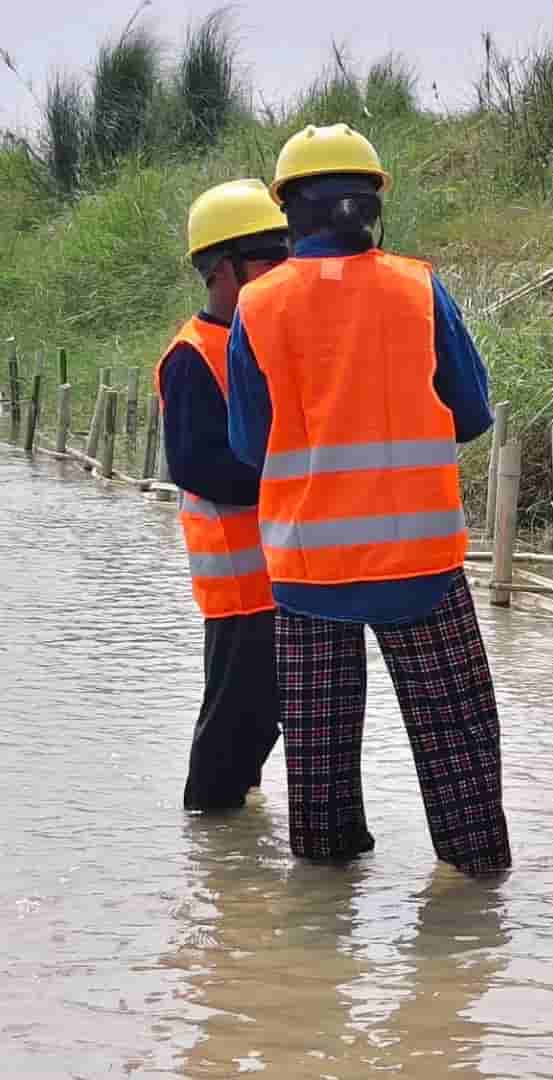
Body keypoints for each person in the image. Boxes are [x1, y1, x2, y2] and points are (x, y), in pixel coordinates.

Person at [226, 123, 511, 874]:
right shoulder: (419, 288)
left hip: (309, 574)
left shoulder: (258, 307)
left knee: (317, 777)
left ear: (289, 212)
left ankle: (324, 916)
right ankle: (477, 892)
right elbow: (472, 413)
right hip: (422, 568)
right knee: (462, 759)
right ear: (373, 206)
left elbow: (251, 445)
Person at [157, 178, 289, 812]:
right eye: (266, 261)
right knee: (235, 723)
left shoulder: (268, 337)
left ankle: (235, 836)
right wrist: (294, 474)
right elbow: (197, 467)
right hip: (240, 584)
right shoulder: (192, 356)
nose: (280, 272)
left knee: (262, 718)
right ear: (221, 270)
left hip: (284, 573)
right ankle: (211, 841)